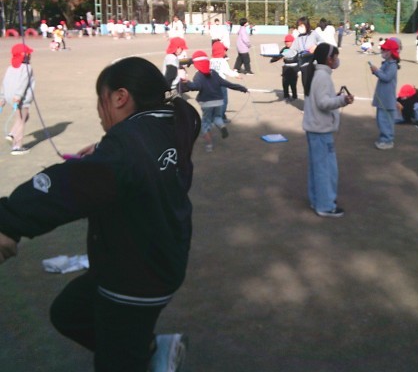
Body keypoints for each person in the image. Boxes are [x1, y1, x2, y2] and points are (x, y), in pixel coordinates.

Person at [0, 57, 201, 371]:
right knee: (68, 313)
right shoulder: (170, 122)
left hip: (136, 277)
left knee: (117, 362)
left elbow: (70, 185)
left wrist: (9, 221)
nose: (98, 110)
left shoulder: (128, 147)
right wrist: (106, 150)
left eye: (101, 99)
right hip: (155, 259)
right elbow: (138, 157)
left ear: (120, 97)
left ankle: (141, 353)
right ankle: (149, 347)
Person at [302, 43, 354, 218]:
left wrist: (336, 97)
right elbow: (323, 103)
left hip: (315, 129)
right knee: (326, 170)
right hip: (321, 131)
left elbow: (321, 99)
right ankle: (325, 205)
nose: (337, 60)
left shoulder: (316, 74)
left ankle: (317, 200)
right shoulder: (323, 76)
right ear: (329, 59)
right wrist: (342, 100)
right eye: (335, 57)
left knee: (317, 168)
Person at [182, 50, 248, 152]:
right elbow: (227, 83)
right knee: (217, 117)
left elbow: (196, 87)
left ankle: (209, 145)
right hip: (219, 101)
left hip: (206, 103)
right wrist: (241, 88)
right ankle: (222, 126)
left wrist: (187, 82)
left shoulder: (198, 75)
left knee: (206, 123)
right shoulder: (214, 73)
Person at [1, 44, 35, 155]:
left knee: (22, 117)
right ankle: (17, 147)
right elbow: (23, 83)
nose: (30, 55)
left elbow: (5, 83)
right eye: (28, 53)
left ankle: (11, 134)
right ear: (24, 55)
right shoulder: (27, 68)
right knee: (21, 120)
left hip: (11, 97)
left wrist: (2, 97)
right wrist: (18, 96)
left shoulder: (10, 68)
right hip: (21, 99)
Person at [370, 39, 400, 150]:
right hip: (382, 97)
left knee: (386, 120)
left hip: (387, 99)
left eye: (385, 50)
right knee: (381, 119)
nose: (382, 52)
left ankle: (388, 140)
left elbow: (386, 77)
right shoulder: (387, 63)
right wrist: (375, 71)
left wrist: (376, 71)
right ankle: (384, 138)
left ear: (391, 52)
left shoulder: (393, 65)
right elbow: (381, 74)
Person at [289, 17, 320, 96]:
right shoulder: (298, 38)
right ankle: (308, 102)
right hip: (303, 65)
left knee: (315, 87)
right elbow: (292, 50)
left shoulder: (314, 34)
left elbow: (323, 43)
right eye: (298, 26)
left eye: (301, 26)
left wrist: (316, 47)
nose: (299, 28)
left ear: (307, 25)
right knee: (306, 87)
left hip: (314, 64)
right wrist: (280, 55)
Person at [270, 34, 299, 101]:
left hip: (294, 68)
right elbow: (278, 56)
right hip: (286, 67)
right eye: (286, 42)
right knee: (285, 82)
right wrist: (273, 59)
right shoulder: (284, 49)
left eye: (289, 41)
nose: (287, 43)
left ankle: (294, 96)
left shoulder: (296, 49)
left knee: (293, 83)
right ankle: (286, 95)